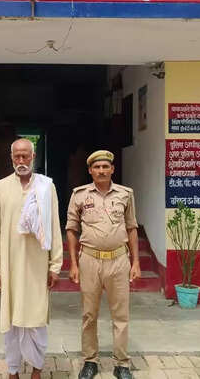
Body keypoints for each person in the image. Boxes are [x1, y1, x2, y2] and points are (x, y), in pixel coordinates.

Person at [0, 138, 63, 379]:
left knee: (36, 318)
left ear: (33, 157)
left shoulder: (46, 187)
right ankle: (13, 370)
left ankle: (36, 368)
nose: (21, 160)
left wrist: (55, 265)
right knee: (11, 321)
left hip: (37, 265)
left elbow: (54, 227)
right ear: (11, 158)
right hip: (9, 266)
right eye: (17, 156)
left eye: (25, 156)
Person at [65, 150, 141, 379]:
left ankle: (122, 364)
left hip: (118, 260)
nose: (101, 171)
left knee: (121, 315)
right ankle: (90, 361)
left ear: (112, 169)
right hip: (89, 260)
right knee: (89, 314)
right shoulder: (79, 195)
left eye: (105, 167)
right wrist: (73, 264)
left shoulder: (125, 194)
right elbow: (71, 229)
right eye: (97, 167)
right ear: (90, 170)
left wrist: (136, 262)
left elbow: (132, 228)